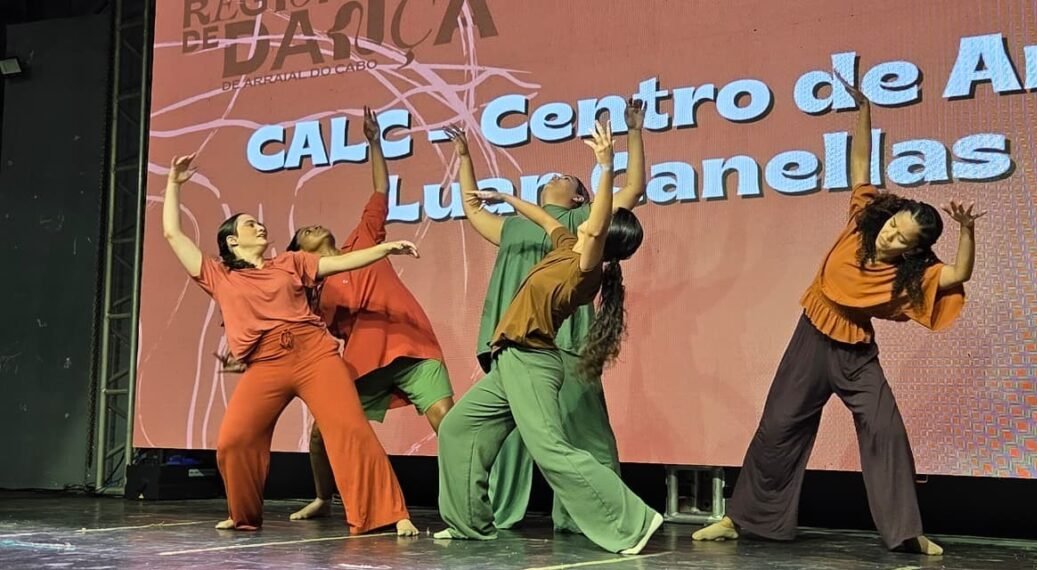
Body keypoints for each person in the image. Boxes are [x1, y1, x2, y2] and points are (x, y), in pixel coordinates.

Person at [692, 76, 983, 556]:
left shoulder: (910, 277)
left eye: (902, 238)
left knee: (885, 429)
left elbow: (959, 273)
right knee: (778, 425)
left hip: (854, 354)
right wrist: (864, 111)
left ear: (914, 250)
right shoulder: (861, 222)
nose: (890, 236)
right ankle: (740, 520)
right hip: (811, 336)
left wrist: (967, 231)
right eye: (893, 226)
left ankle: (906, 530)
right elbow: (861, 162)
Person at [434, 121, 663, 554]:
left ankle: (633, 521)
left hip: (533, 358)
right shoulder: (562, 246)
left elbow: (597, 225)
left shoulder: (585, 269)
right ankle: (469, 524)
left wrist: (606, 165)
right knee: (458, 430)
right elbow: (541, 218)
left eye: (594, 222)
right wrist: (506, 198)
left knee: (550, 448)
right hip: (510, 359)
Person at [161, 152, 420, 536]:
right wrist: (173, 184)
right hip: (265, 363)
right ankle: (243, 514)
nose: (260, 226)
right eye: (250, 225)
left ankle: (389, 514)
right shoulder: (218, 275)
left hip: (313, 355)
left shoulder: (291, 262)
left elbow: (339, 263)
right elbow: (173, 234)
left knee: (349, 429)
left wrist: (384, 249)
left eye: (259, 223)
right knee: (234, 440)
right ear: (232, 240)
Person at [282, 107, 456, 522]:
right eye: (304, 232)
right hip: (365, 362)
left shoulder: (362, 239)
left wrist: (374, 141)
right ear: (299, 253)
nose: (313, 227)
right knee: (321, 432)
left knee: (449, 425)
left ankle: (464, 505)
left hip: (413, 346)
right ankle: (323, 497)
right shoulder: (312, 291)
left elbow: (381, 189)